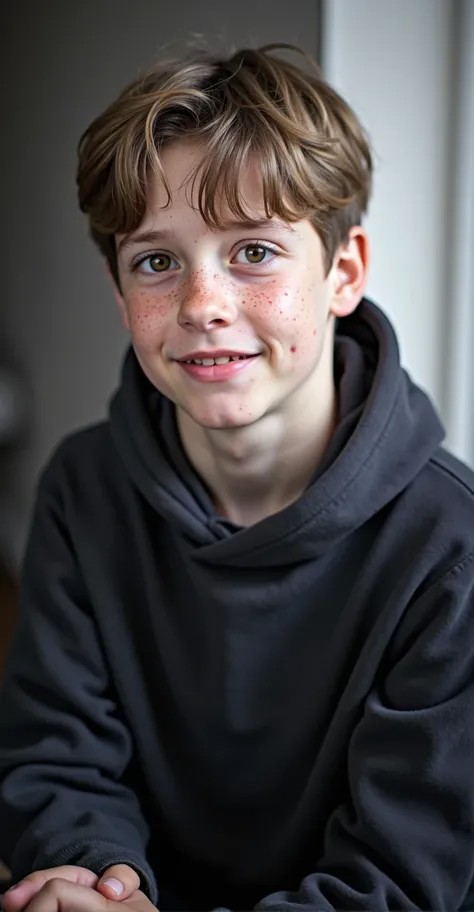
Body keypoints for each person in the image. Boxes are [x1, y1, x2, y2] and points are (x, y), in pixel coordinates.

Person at [0, 43, 474, 912]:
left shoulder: (453, 546)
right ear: (118, 294)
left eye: (253, 251)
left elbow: (405, 877)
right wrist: (102, 877)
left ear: (345, 272)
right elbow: (55, 754)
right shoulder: (83, 488)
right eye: (156, 261)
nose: (201, 303)